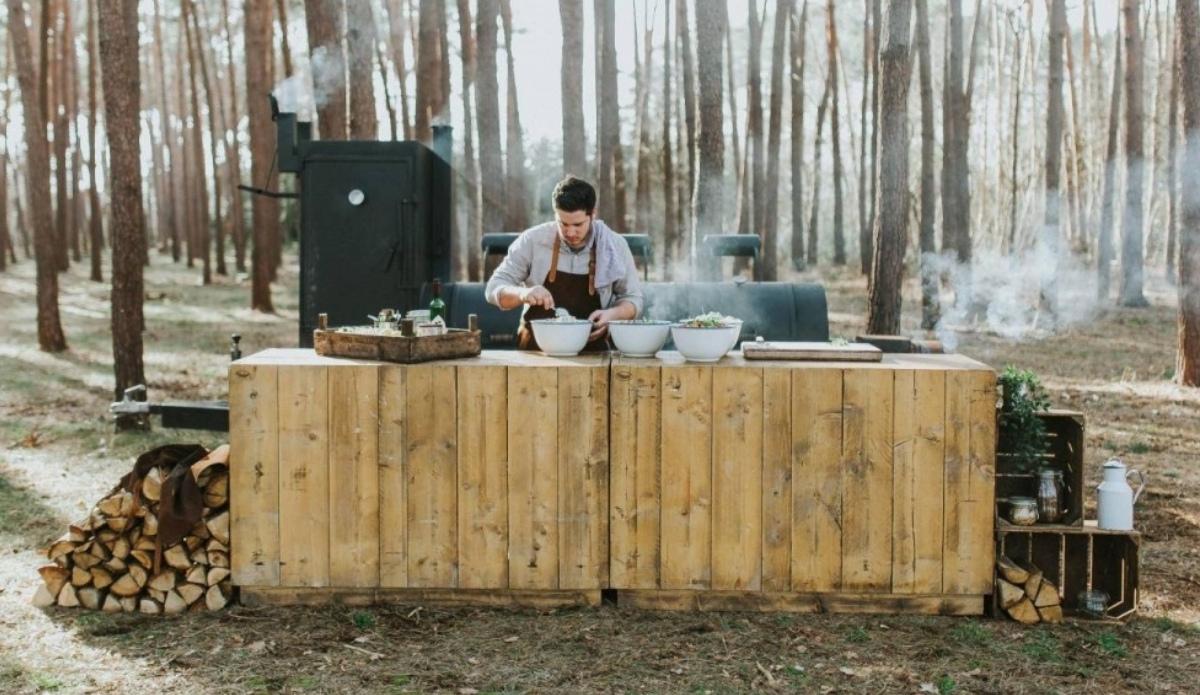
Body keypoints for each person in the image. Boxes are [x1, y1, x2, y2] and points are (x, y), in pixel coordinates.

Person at [485, 175, 643, 351]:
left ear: (593, 213)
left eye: (578, 224)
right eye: (563, 224)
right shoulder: (532, 241)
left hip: (591, 353)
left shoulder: (614, 245)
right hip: (535, 353)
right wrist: (523, 293)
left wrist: (612, 315)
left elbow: (633, 299)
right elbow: (493, 289)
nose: (570, 232)